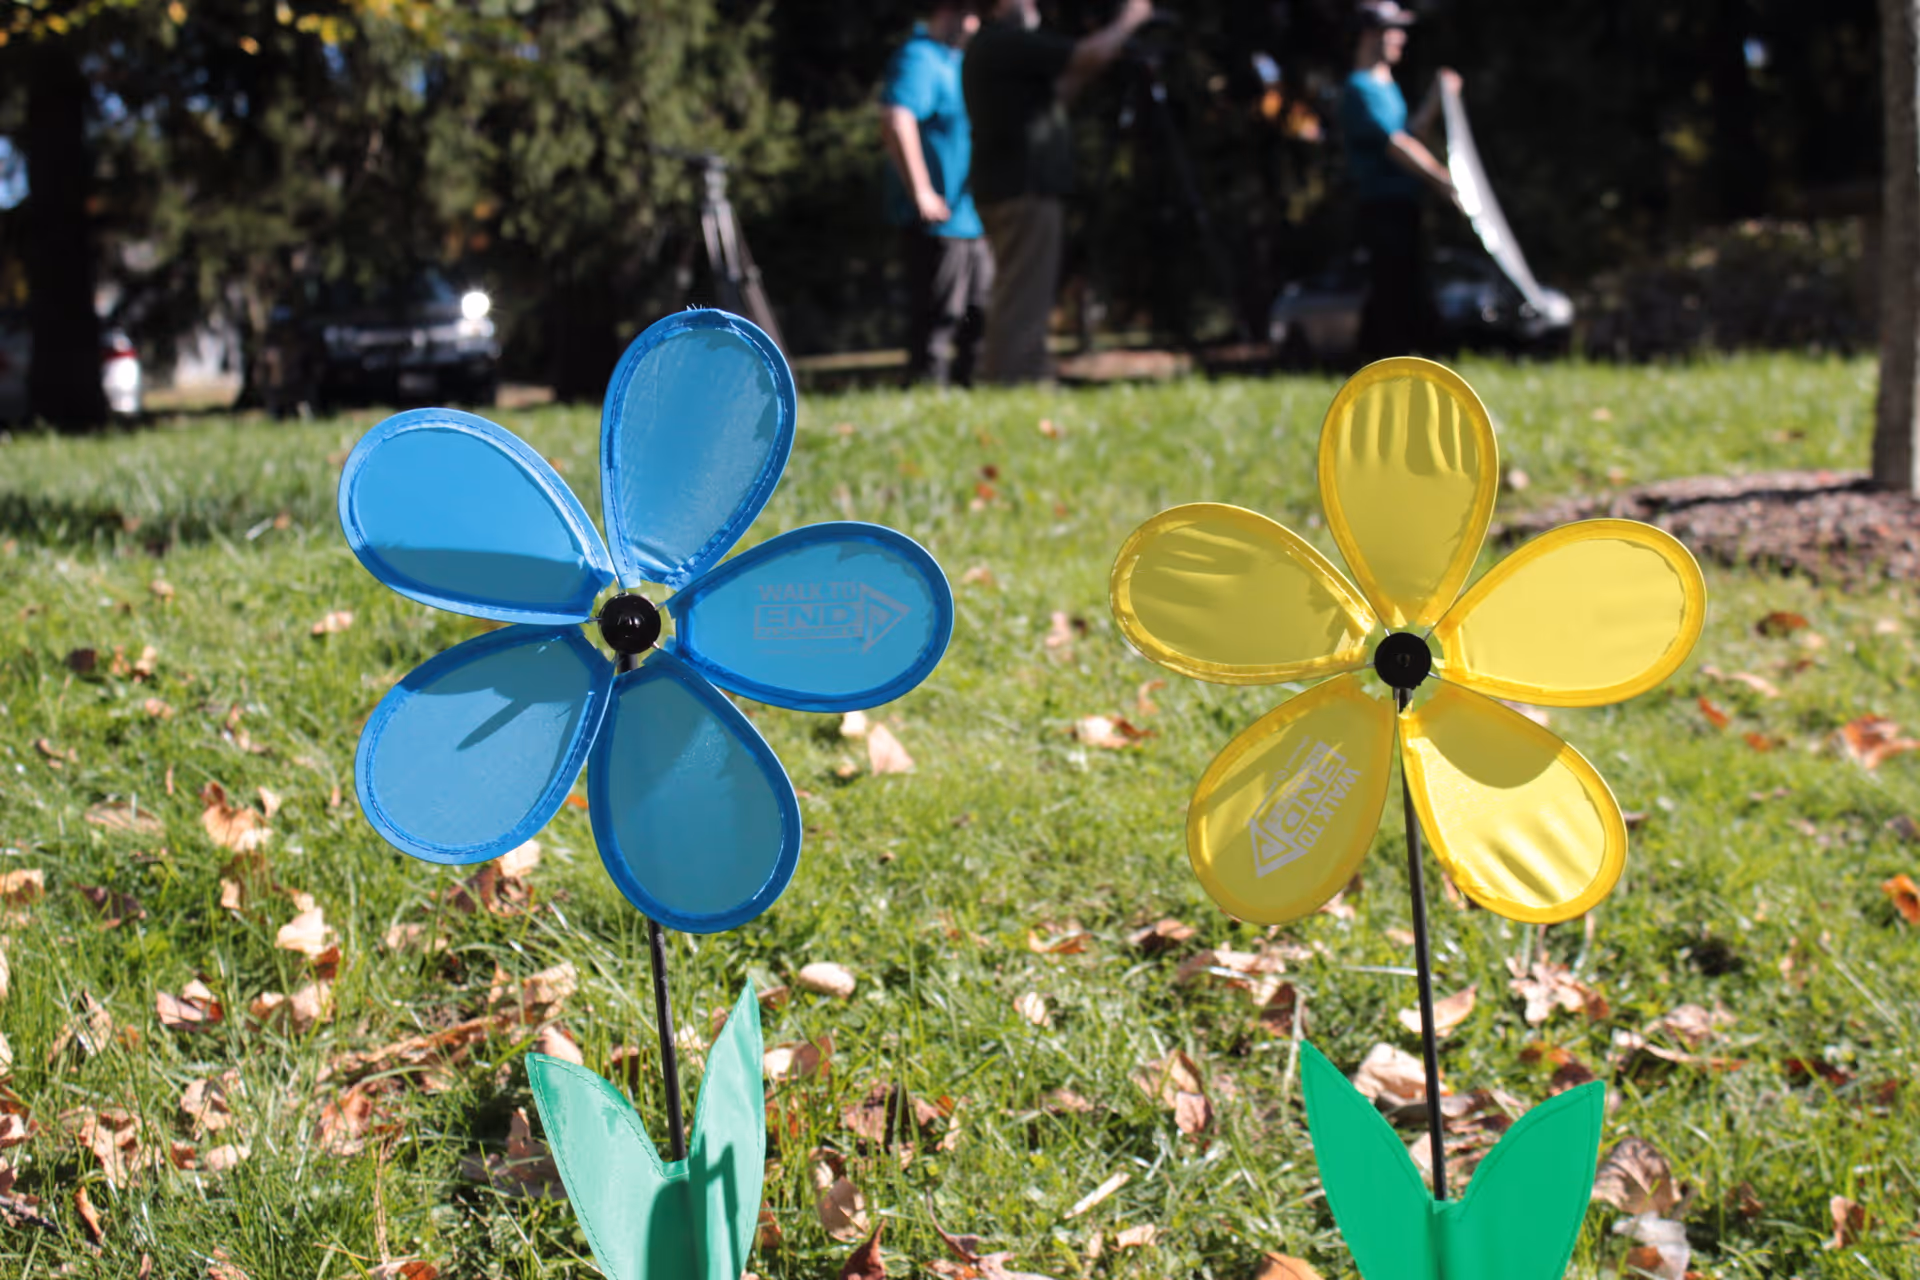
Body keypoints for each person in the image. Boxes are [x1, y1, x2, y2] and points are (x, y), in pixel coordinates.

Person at [963, 0, 1156, 383]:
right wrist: (1131, 18)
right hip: (1021, 188)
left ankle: (1019, 371)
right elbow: (1088, 54)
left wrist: (1094, 58)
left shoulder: (994, 47)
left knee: (1020, 287)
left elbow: (1061, 88)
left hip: (1013, 186)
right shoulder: (1005, 41)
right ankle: (1015, 378)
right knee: (1022, 291)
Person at [1340, 0, 1461, 362]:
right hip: (1382, 207)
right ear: (1369, 35)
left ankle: (1402, 360)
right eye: (1391, 30)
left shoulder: (1386, 87)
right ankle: (1383, 363)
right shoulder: (1359, 88)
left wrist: (1437, 99)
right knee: (1392, 290)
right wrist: (1441, 179)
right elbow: (1396, 145)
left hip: (1404, 206)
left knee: (1405, 287)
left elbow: (1409, 133)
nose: (1400, 38)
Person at [880, 2, 992, 388]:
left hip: (970, 217)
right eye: (973, 14)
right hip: (937, 220)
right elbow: (897, 118)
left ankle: (969, 397)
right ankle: (927, 394)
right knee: (938, 320)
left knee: (979, 314)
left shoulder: (955, 60)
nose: (978, 24)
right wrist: (922, 191)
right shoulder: (920, 57)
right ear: (950, 11)